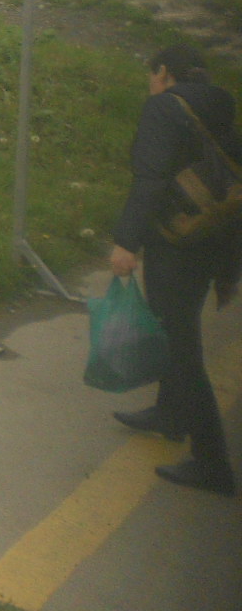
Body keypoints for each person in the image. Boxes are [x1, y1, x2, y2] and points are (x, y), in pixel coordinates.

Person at [108, 44, 240, 496]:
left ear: (163, 72)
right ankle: (170, 414)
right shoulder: (219, 104)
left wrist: (126, 240)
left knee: (180, 343)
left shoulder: (165, 109)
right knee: (176, 328)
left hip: (178, 241)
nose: (151, 82)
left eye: (152, 74)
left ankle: (212, 461)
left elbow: (150, 177)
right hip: (214, 236)